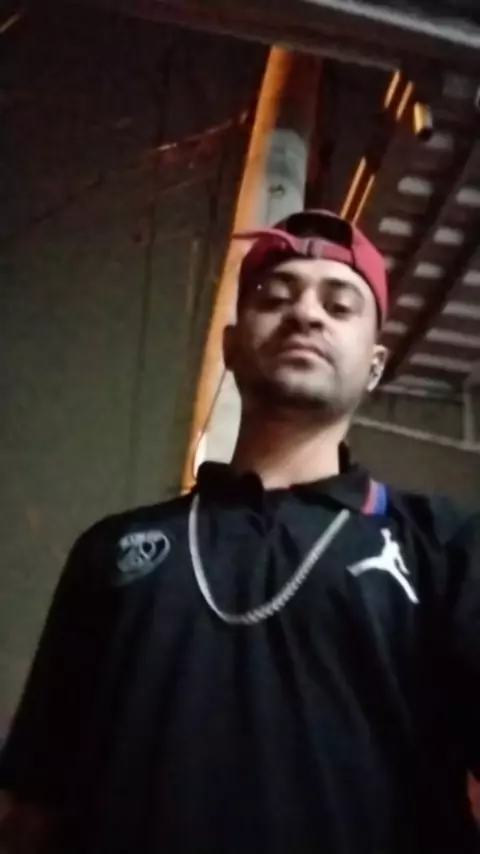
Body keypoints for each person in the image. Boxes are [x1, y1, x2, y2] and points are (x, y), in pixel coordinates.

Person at [0, 209, 479, 854]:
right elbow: (33, 807)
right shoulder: (112, 550)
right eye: (275, 298)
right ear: (229, 347)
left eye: (339, 306)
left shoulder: (447, 548)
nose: (305, 314)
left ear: (374, 366)